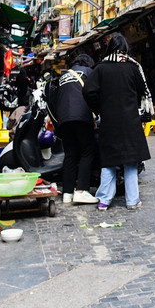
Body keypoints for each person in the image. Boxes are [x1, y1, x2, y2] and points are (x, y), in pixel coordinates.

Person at [83, 34, 151, 211]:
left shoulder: (100, 68)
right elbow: (142, 91)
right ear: (126, 48)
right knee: (131, 161)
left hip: (109, 120)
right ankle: (132, 201)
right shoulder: (133, 67)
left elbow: (88, 91)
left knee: (109, 161)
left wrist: (98, 108)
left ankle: (104, 200)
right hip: (130, 119)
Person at [56, 53, 99, 205]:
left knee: (70, 154)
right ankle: (81, 190)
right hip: (81, 116)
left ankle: (67, 193)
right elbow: (95, 92)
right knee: (87, 151)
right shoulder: (89, 72)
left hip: (63, 119)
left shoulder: (64, 75)